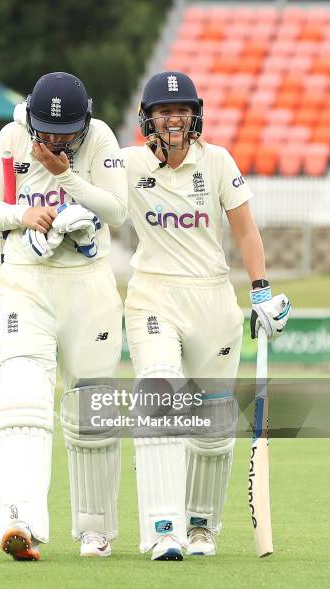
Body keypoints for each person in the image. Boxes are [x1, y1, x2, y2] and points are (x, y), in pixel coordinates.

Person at [122, 71, 290, 561]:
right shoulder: (129, 165)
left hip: (213, 299)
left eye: (181, 110)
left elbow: (246, 230)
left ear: (195, 115)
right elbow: (87, 165)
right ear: (147, 119)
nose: (174, 118)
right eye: (164, 111)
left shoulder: (216, 161)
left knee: (213, 427)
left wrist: (261, 292)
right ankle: (162, 528)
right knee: (158, 395)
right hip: (154, 294)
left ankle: (199, 527)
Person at [0, 72, 127, 560]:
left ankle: (95, 528)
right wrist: (23, 217)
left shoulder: (100, 136)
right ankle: (20, 519)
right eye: (48, 130)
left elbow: (117, 210)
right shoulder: (11, 136)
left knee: (91, 405)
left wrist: (67, 178)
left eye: (68, 132)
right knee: (21, 389)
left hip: (89, 282)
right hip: (27, 276)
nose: (58, 140)